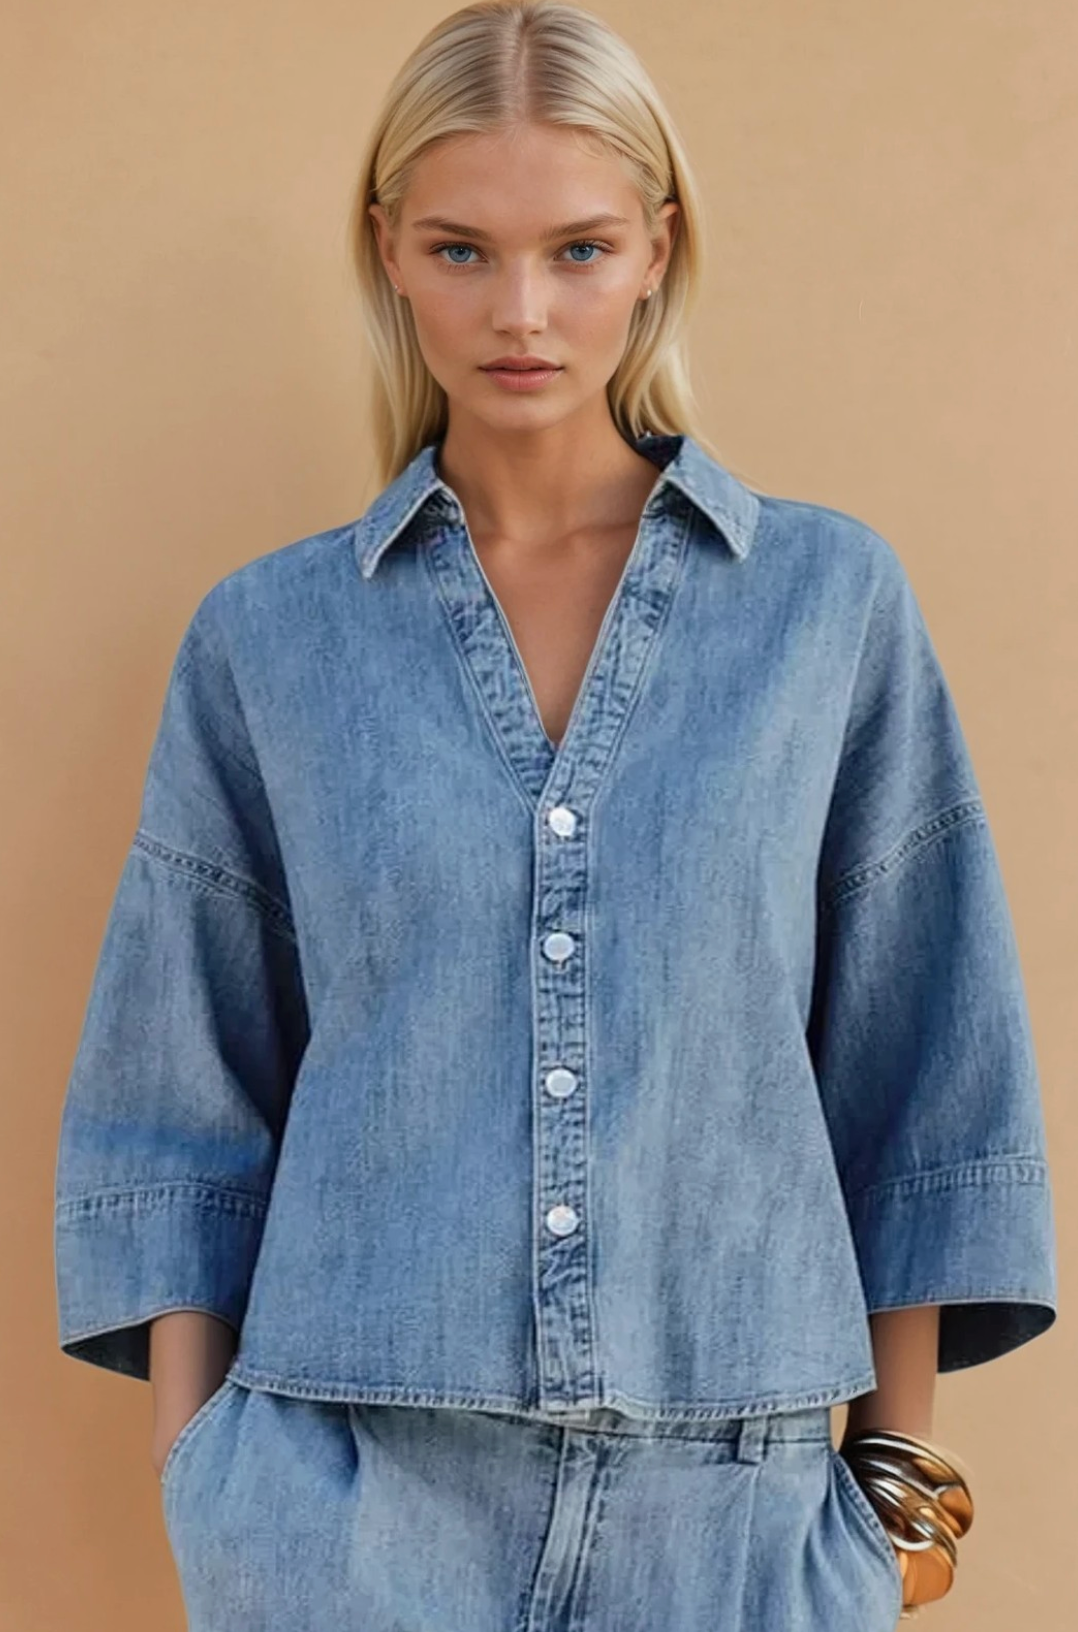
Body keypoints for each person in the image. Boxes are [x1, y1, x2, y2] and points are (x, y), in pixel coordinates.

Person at [53, 4, 1057, 1629]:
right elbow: (179, 1081)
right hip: (347, 1504)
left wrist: (890, 1501)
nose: (520, 312)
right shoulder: (271, 640)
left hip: (733, 1512)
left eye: (577, 249)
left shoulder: (823, 607)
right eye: (461, 249)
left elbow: (924, 1063)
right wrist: (209, 1481)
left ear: (657, 247)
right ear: (387, 249)